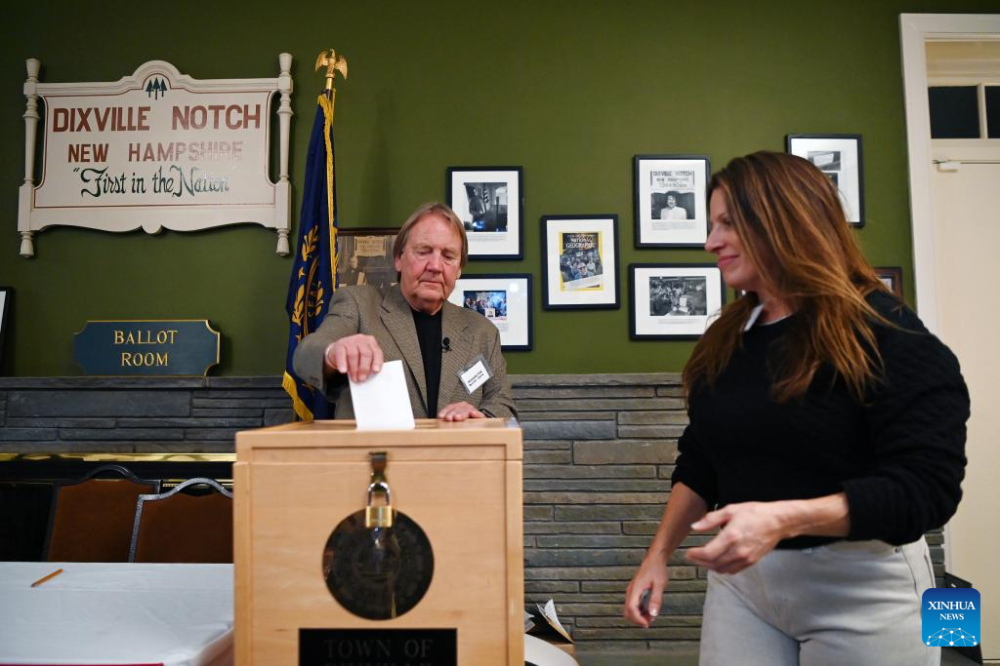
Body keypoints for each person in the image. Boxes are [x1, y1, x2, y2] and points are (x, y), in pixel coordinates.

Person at [623, 151, 969, 665]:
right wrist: (657, 556)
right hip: (745, 589)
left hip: (864, 588)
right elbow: (700, 459)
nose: (710, 242)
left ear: (785, 220)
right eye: (711, 225)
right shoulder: (729, 337)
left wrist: (784, 519)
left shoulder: (888, 334)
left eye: (727, 223)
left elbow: (927, 489)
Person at [293, 202, 516, 421]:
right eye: (424, 251)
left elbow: (503, 404)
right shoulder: (359, 305)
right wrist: (334, 353)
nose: (435, 266)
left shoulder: (483, 332)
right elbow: (305, 356)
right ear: (399, 259)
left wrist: (479, 417)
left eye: (448, 256)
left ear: (458, 269)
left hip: (456, 448)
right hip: (375, 447)